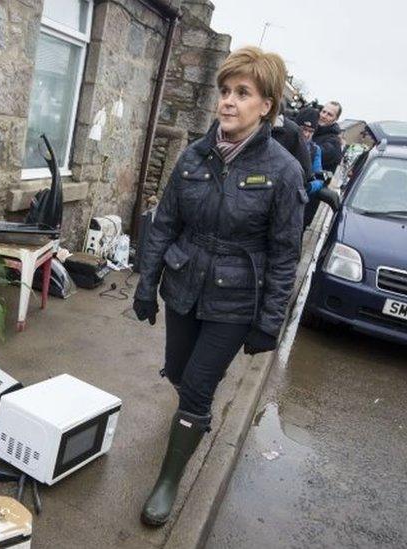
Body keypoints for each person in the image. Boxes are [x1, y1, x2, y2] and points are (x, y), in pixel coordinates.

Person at [132, 46, 305, 526]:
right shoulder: (192, 158)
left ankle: (168, 481)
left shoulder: (283, 172)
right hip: (184, 287)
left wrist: (270, 321)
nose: (228, 102)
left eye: (242, 93)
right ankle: (191, 418)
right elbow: (164, 225)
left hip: (234, 301)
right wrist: (147, 285)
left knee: (198, 389)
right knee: (178, 371)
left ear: (265, 105)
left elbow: (285, 253)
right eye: (225, 91)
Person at [296, 107, 326, 227]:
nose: (306, 134)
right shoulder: (284, 142)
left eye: (311, 131)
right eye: (303, 129)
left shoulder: (315, 150)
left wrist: (308, 187)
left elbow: (319, 179)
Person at [313, 100, 343, 172]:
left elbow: (312, 154)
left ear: (336, 119)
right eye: (323, 112)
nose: (324, 116)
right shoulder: (312, 129)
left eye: (329, 114)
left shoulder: (334, 142)